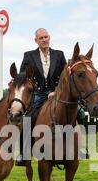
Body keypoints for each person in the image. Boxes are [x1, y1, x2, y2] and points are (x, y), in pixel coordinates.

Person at [15, 28, 88, 166]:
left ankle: (81, 148)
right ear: (36, 40)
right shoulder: (29, 56)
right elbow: (23, 77)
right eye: (41, 38)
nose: (44, 40)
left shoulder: (59, 55)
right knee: (28, 118)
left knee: (80, 113)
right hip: (38, 93)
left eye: (46, 37)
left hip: (57, 92)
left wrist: (57, 90)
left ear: (49, 38)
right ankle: (24, 154)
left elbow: (64, 76)